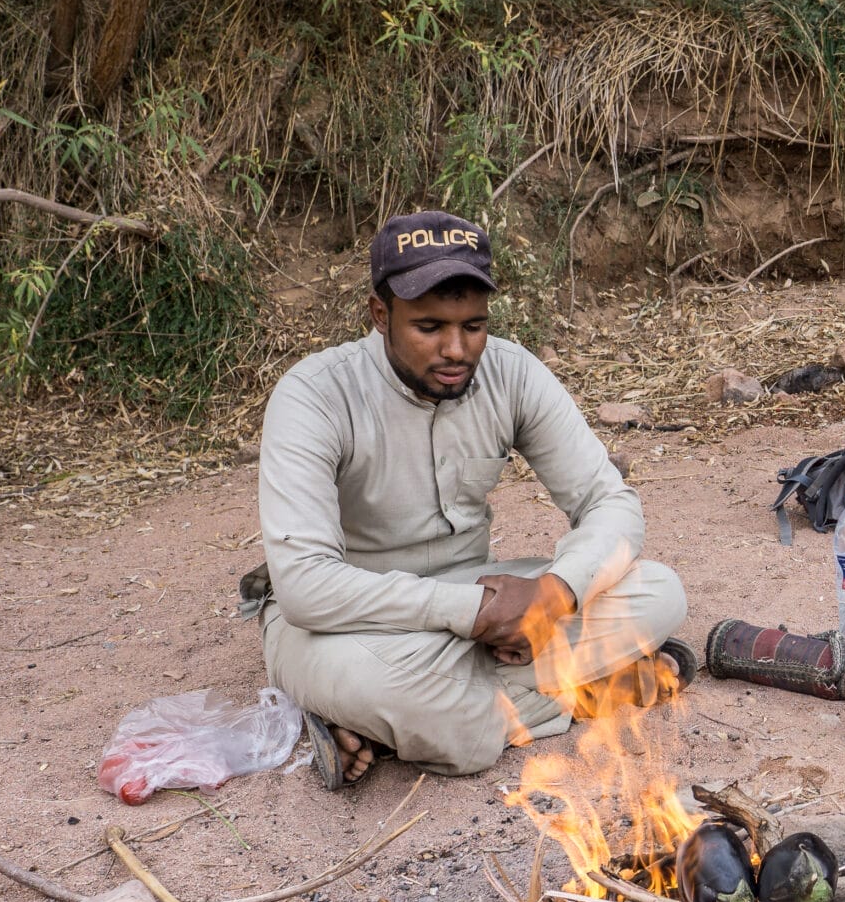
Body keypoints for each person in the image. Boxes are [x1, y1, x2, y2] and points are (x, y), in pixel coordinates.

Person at [246, 211, 690, 788]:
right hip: (349, 622)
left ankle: (389, 728)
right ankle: (567, 695)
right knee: (403, 695)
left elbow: (611, 504)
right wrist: (471, 614)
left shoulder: (512, 373)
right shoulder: (314, 395)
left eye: (473, 326)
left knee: (659, 590)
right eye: (429, 327)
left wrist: (553, 595)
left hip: (477, 595)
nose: (457, 349)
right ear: (380, 315)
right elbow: (306, 587)